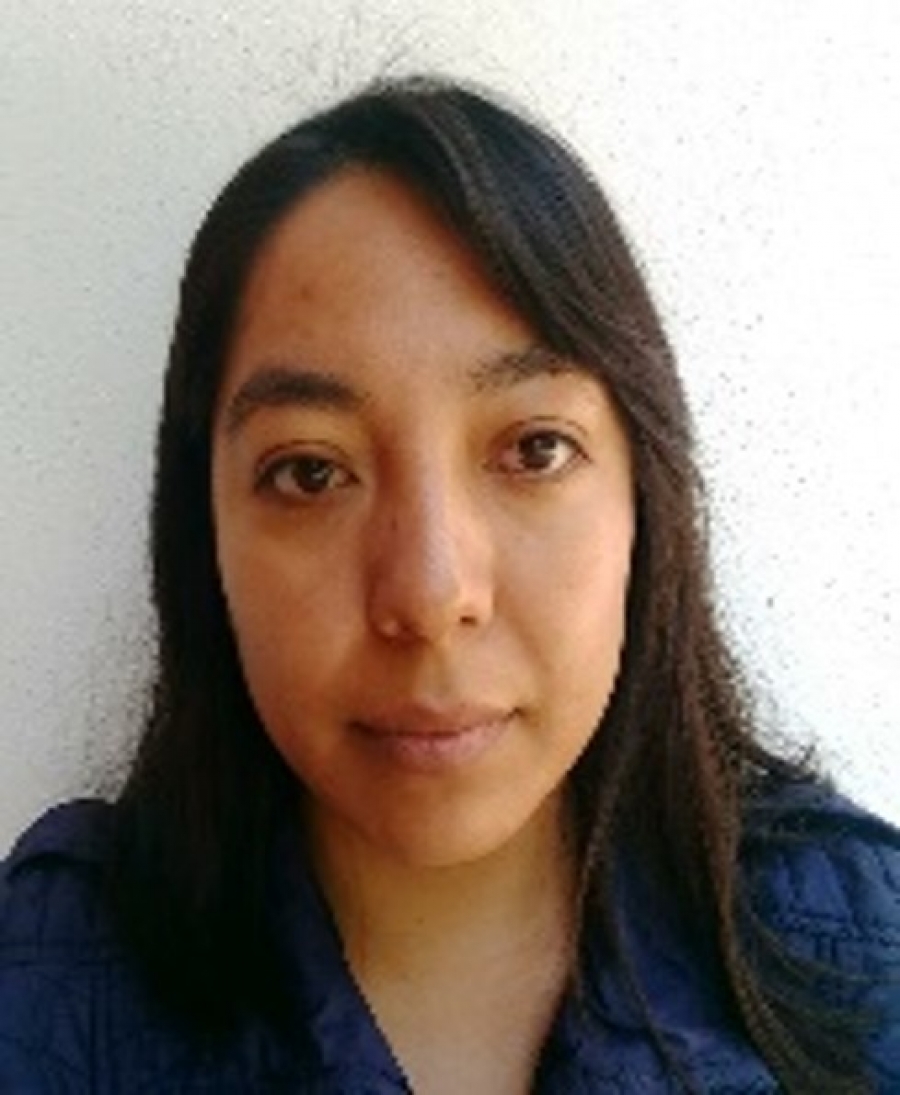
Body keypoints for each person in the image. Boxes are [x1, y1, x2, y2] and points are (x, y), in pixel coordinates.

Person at [1, 76, 898, 1095]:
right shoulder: (54, 982)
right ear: (204, 532)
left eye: (534, 449)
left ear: (644, 499)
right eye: (311, 472)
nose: (429, 597)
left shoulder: (859, 940)